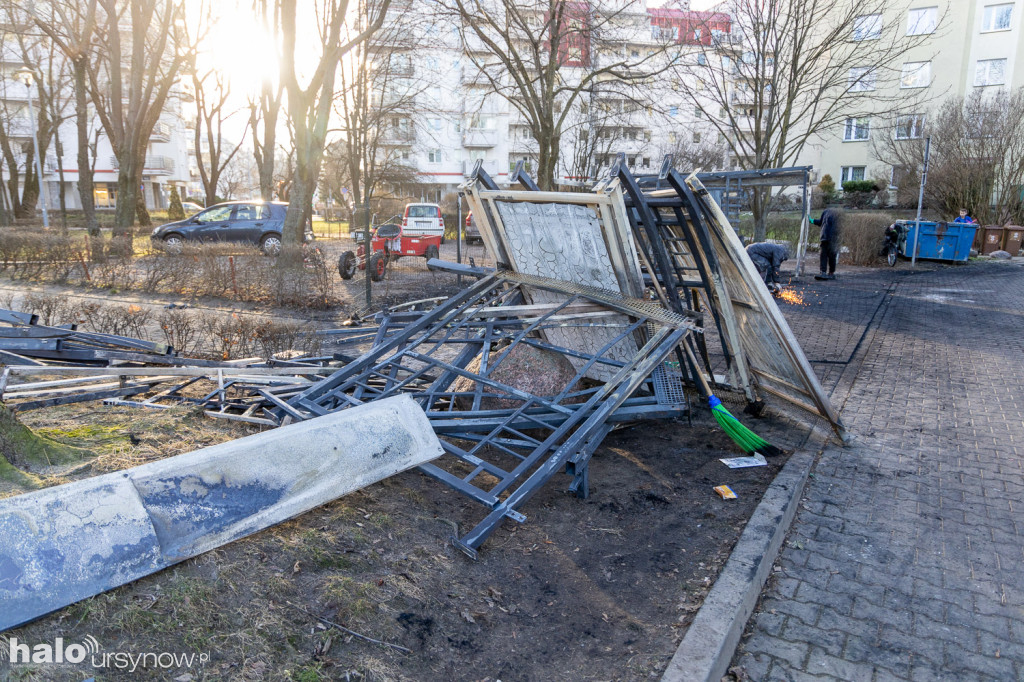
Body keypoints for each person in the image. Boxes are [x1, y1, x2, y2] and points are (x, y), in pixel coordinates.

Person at [812, 208, 841, 280]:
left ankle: (828, 272)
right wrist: (813, 221)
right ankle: (825, 272)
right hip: (826, 237)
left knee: (828, 255)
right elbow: (821, 222)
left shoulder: (827, 212)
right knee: (825, 255)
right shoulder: (827, 212)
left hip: (828, 237)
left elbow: (821, 223)